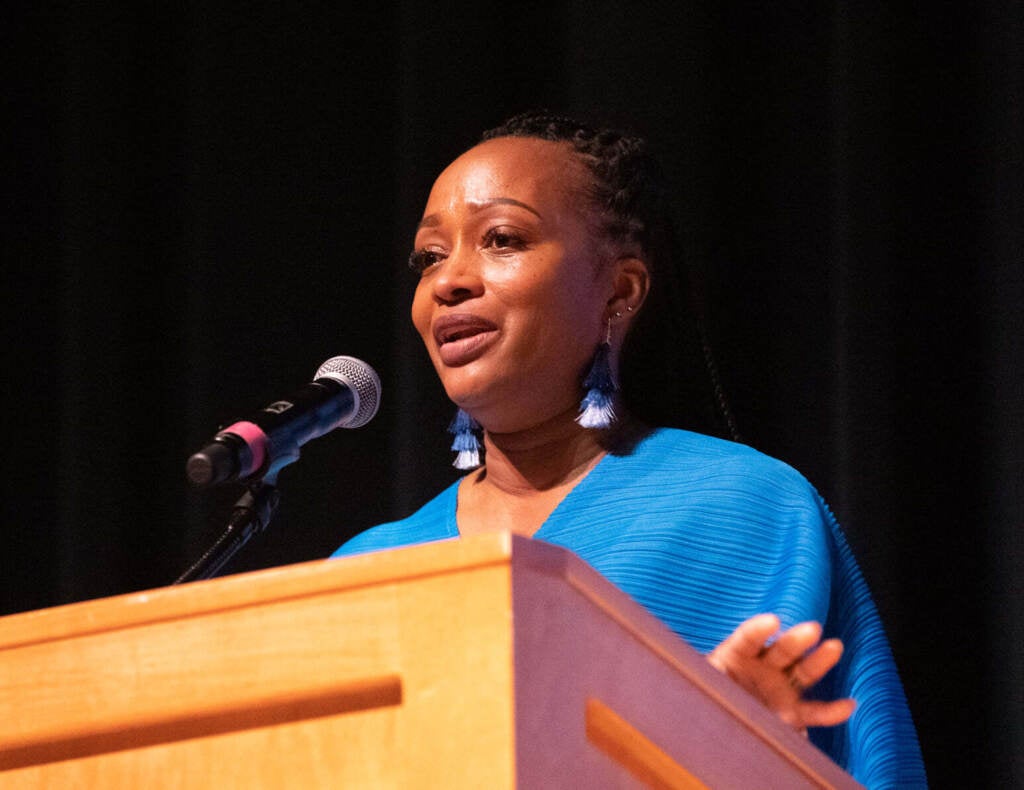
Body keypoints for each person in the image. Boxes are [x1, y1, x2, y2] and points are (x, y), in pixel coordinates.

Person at [332, 111, 926, 787]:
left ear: (620, 291)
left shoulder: (742, 510)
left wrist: (719, 743)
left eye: (501, 239)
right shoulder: (366, 567)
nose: (448, 281)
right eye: (430, 257)